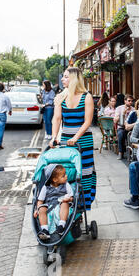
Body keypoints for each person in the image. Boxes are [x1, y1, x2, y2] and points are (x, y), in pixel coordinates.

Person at [50, 67, 96, 210]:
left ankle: (82, 207)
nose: (62, 79)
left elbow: (87, 121)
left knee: (84, 173)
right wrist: (53, 138)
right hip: (66, 140)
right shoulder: (61, 97)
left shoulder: (86, 96)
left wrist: (75, 138)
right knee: (68, 172)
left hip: (83, 140)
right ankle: (68, 204)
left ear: (74, 79)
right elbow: (56, 119)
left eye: (65, 77)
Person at [33, 164, 74, 240]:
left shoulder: (66, 185)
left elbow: (72, 198)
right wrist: (37, 209)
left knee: (65, 204)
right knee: (41, 209)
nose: (66, 176)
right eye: (63, 176)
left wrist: (68, 199)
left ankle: (61, 226)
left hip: (61, 204)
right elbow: (40, 200)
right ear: (55, 179)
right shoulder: (45, 187)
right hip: (49, 205)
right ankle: (45, 230)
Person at [114, 95, 134, 160]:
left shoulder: (133, 109)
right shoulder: (119, 108)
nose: (130, 102)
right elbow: (115, 120)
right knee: (121, 134)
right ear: (125, 101)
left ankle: (131, 152)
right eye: (129, 101)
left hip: (130, 127)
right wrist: (123, 114)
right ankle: (121, 152)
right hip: (121, 126)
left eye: (131, 101)